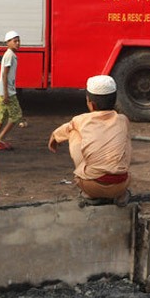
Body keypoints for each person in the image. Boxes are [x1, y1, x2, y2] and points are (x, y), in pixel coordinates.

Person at [48, 75, 131, 207]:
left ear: (91, 104)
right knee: (124, 136)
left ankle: (90, 195)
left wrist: (54, 137)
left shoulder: (81, 120)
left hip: (91, 185)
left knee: (73, 131)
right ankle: (120, 194)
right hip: (121, 184)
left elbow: (63, 130)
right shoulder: (123, 119)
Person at [0, 30, 27, 151]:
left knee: (1, 117)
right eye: (15, 41)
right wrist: (6, 93)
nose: (17, 43)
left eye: (18, 41)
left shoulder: (10, 55)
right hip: (7, 92)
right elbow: (4, 75)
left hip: (2, 91)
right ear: (8, 43)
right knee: (16, 116)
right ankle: (0, 138)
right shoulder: (10, 55)